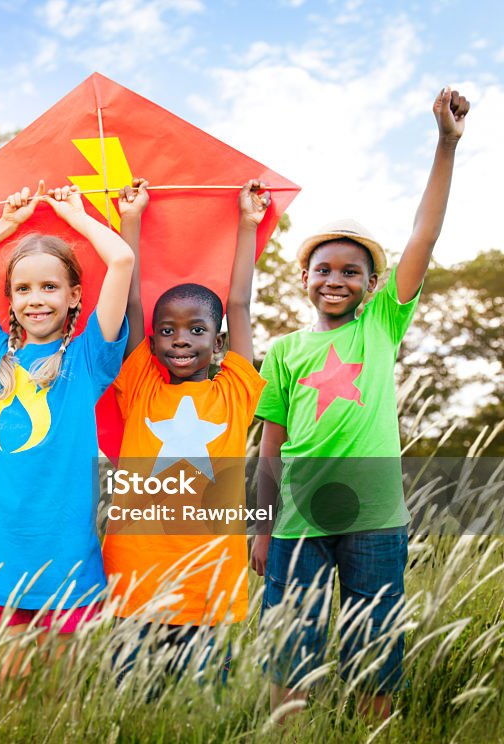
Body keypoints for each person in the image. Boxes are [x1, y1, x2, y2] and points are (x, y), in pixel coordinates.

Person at [252, 87, 469, 720]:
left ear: (374, 285)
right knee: (292, 640)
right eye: (324, 269)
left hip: (374, 514)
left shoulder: (380, 326)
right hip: (296, 517)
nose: (336, 280)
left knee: (375, 639)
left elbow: (423, 236)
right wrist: (260, 524)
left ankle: (375, 730)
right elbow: (269, 449)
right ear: (304, 278)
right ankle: (288, 731)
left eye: (352, 272)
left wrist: (445, 144)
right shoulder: (286, 350)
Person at [0, 180, 134, 684]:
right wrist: (7, 223)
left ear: (74, 297)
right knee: (13, 691)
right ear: (10, 299)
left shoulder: (88, 358)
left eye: (50, 287)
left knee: (60, 698)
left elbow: (122, 261)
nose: (36, 299)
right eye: (23, 289)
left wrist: (75, 217)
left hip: (64, 550)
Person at [102, 178, 270, 682]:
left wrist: (247, 224)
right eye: (168, 331)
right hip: (136, 572)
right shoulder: (141, 386)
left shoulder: (236, 391)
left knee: (197, 707)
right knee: (131, 699)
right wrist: (130, 220)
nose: (181, 340)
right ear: (152, 344)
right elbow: (132, 305)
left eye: (197, 330)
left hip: (208, 577)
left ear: (217, 344)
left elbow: (237, 303)